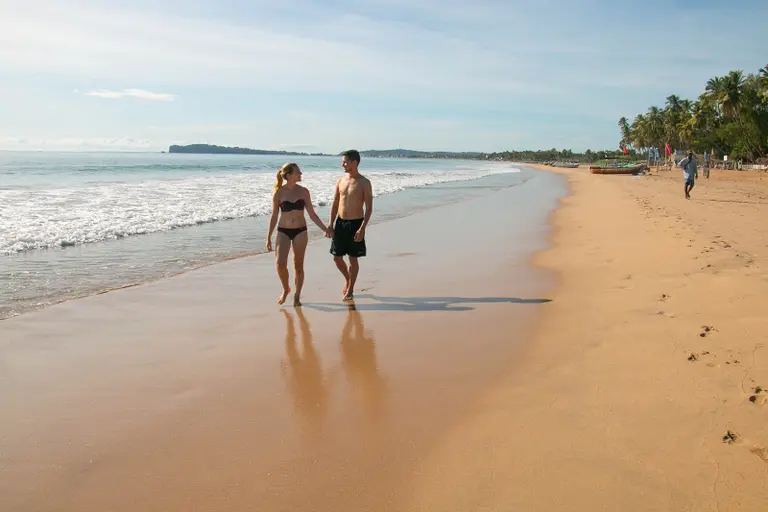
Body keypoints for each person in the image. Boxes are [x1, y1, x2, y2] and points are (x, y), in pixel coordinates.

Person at [267, 163, 332, 306]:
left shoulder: (304, 192)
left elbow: (312, 214)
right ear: (289, 175)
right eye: (298, 172)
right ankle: (286, 289)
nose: (301, 174)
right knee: (280, 264)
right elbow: (274, 216)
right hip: (283, 231)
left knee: (298, 265)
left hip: (300, 231)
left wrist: (324, 228)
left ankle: (297, 295)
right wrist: (269, 237)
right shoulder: (279, 193)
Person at [329, 150, 373, 301]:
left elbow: (369, 208)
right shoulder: (341, 181)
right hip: (340, 223)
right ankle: (348, 279)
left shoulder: (364, 183)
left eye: (345, 162)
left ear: (355, 162)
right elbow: (335, 203)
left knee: (353, 259)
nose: (343, 164)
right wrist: (330, 224)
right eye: (342, 162)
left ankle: (351, 288)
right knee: (337, 258)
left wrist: (362, 228)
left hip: (356, 224)